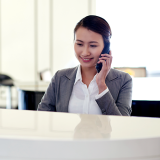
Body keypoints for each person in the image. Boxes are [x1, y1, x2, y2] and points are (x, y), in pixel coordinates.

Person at [37, 15, 132, 116]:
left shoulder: (123, 80)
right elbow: (43, 117)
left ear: (106, 48)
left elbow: (121, 125)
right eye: (79, 44)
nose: (85, 52)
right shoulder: (60, 77)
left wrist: (101, 85)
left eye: (93, 45)